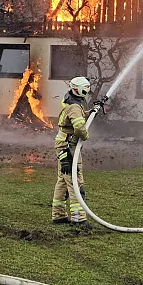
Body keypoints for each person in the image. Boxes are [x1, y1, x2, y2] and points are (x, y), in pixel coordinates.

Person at [51, 76, 92, 225]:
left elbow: (77, 116)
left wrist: (91, 112)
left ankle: (58, 215)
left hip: (63, 145)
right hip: (69, 147)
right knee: (75, 180)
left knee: (63, 180)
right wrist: (86, 136)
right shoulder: (74, 107)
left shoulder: (70, 102)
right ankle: (78, 218)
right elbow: (79, 128)